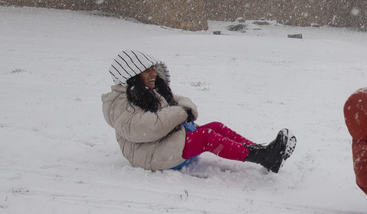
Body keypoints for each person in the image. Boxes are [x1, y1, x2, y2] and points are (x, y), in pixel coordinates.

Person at [102, 50, 295, 173]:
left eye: (153, 68)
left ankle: (264, 153)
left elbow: (177, 100)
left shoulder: (144, 92)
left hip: (163, 144)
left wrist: (184, 109)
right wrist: (181, 113)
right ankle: (265, 157)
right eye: (147, 70)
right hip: (150, 155)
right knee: (205, 137)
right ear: (131, 75)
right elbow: (146, 127)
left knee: (215, 127)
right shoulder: (119, 103)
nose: (153, 73)